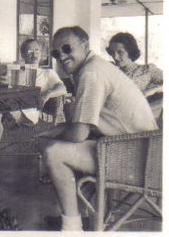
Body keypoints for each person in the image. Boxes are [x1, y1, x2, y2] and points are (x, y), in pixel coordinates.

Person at [36, 26, 157, 231]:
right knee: (61, 144)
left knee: (54, 152)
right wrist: (54, 132)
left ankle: (72, 227)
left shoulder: (92, 73)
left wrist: (50, 134)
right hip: (144, 152)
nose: (62, 57)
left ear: (85, 45)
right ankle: (80, 216)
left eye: (67, 48)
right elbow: (84, 126)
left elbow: (78, 134)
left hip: (139, 161)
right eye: (57, 53)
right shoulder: (95, 66)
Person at [0, 39, 67, 178]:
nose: (34, 54)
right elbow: (4, 89)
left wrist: (48, 93)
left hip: (31, 111)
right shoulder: (17, 71)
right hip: (9, 106)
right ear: (23, 55)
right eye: (29, 51)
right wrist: (3, 82)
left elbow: (62, 88)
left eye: (37, 50)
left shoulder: (48, 73)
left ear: (41, 53)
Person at [107, 32, 163, 97]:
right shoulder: (109, 69)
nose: (115, 57)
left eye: (120, 52)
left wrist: (153, 90)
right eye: (112, 52)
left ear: (130, 51)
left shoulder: (147, 70)